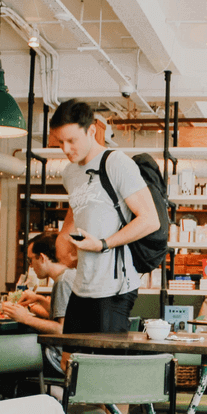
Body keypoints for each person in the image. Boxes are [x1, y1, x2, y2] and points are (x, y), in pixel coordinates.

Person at [51, 99, 160, 336]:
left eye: (72, 140)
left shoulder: (116, 163)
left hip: (114, 288)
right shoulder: (70, 173)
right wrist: (63, 237)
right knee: (70, 362)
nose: (66, 149)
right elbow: (77, 209)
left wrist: (102, 244)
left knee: (102, 367)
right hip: (81, 287)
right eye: (60, 142)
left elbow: (150, 219)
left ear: (91, 131)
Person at [1, 233, 75, 374]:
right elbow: (67, 315)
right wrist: (39, 299)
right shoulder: (69, 275)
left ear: (42, 258)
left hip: (57, 358)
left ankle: (52, 391)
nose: (31, 266)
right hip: (66, 355)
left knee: (7, 356)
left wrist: (26, 318)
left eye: (30, 260)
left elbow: (62, 330)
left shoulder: (63, 282)